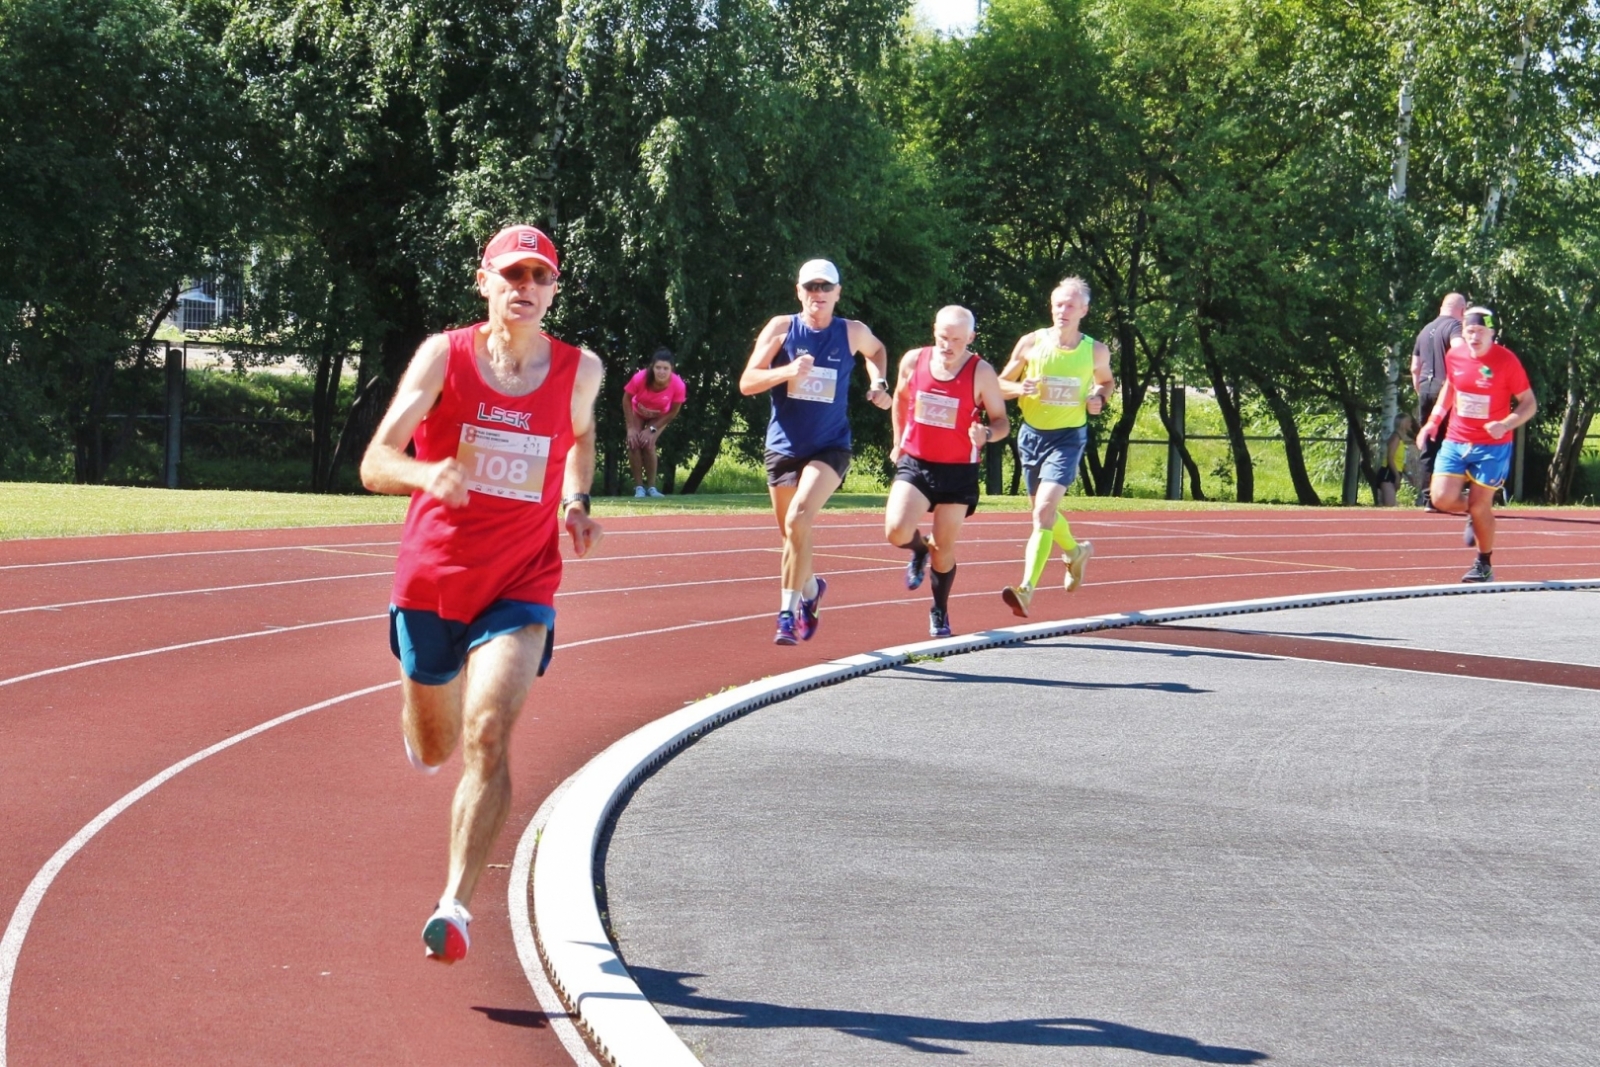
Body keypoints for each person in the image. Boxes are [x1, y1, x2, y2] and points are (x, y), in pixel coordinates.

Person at [359, 224, 604, 963]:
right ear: (485, 281)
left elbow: (581, 439)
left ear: (554, 289)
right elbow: (376, 459)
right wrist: (423, 474)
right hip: (434, 578)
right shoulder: (446, 355)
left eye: (540, 276)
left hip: (521, 581)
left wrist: (576, 500)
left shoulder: (580, 369)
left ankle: (456, 904)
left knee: (490, 729)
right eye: (513, 274)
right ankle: (420, 723)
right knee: (436, 744)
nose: (526, 287)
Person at [739, 258, 891, 645]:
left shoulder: (851, 332)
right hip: (783, 446)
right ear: (799, 292)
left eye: (826, 287)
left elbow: (877, 351)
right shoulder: (782, 328)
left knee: (799, 519)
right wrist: (786, 372)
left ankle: (786, 616)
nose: (817, 294)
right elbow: (748, 382)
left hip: (830, 445)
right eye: (811, 287)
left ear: (838, 293)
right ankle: (810, 590)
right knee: (792, 534)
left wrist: (879, 382)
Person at [885, 306, 1010, 637]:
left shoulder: (981, 372)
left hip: (958, 471)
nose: (948, 345)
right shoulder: (914, 361)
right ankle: (917, 549)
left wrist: (987, 435)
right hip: (917, 461)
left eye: (957, 339)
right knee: (896, 530)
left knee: (945, 550)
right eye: (943, 337)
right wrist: (898, 442)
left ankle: (939, 609)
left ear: (970, 338)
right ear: (934, 331)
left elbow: (1002, 421)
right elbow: (899, 399)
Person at [995, 277, 1115, 618]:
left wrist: (1098, 398)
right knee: (1042, 513)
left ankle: (1026, 589)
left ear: (1084, 311)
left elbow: (1106, 381)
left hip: (1068, 438)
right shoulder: (1031, 343)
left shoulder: (1094, 350)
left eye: (1071, 305)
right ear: (1052, 306)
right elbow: (1000, 385)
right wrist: (1020, 389)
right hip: (1032, 436)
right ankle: (1076, 552)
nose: (1063, 311)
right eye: (1058, 304)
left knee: (1043, 511)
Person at [1414, 306, 1536, 583]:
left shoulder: (1506, 361)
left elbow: (1529, 403)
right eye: (1469, 330)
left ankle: (1484, 564)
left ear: (1492, 333)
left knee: (1482, 506)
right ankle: (1477, 514)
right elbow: (1450, 388)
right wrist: (1433, 422)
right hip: (1456, 439)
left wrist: (1505, 424)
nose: (1474, 336)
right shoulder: (1455, 355)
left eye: (1480, 331)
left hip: (1492, 445)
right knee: (1440, 499)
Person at [1411, 292, 1465, 508]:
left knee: (1429, 444)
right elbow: (1460, 350)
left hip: (1425, 388)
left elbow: (1415, 366)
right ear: (1461, 310)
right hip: (1447, 389)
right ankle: (1449, 495)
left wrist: (1420, 390)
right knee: (1452, 442)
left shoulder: (1424, 330)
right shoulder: (1454, 327)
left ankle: (1426, 498)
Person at [623, 346, 687, 497]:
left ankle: (652, 488)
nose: (661, 372)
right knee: (633, 443)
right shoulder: (640, 378)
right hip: (638, 411)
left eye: (666, 368)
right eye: (658, 367)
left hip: (660, 417)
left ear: (672, 369)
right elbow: (626, 399)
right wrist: (631, 428)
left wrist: (651, 430)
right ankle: (639, 488)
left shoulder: (678, 385)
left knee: (648, 443)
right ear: (652, 367)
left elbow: (673, 412)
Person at [1379, 412, 1417, 507]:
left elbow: (1400, 461)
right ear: (1403, 423)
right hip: (1388, 473)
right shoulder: (1395, 438)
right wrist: (1397, 476)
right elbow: (1390, 458)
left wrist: (1409, 474)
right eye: (1409, 422)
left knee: (1391, 505)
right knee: (1390, 505)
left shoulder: (1401, 440)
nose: (1411, 424)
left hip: (1395, 472)